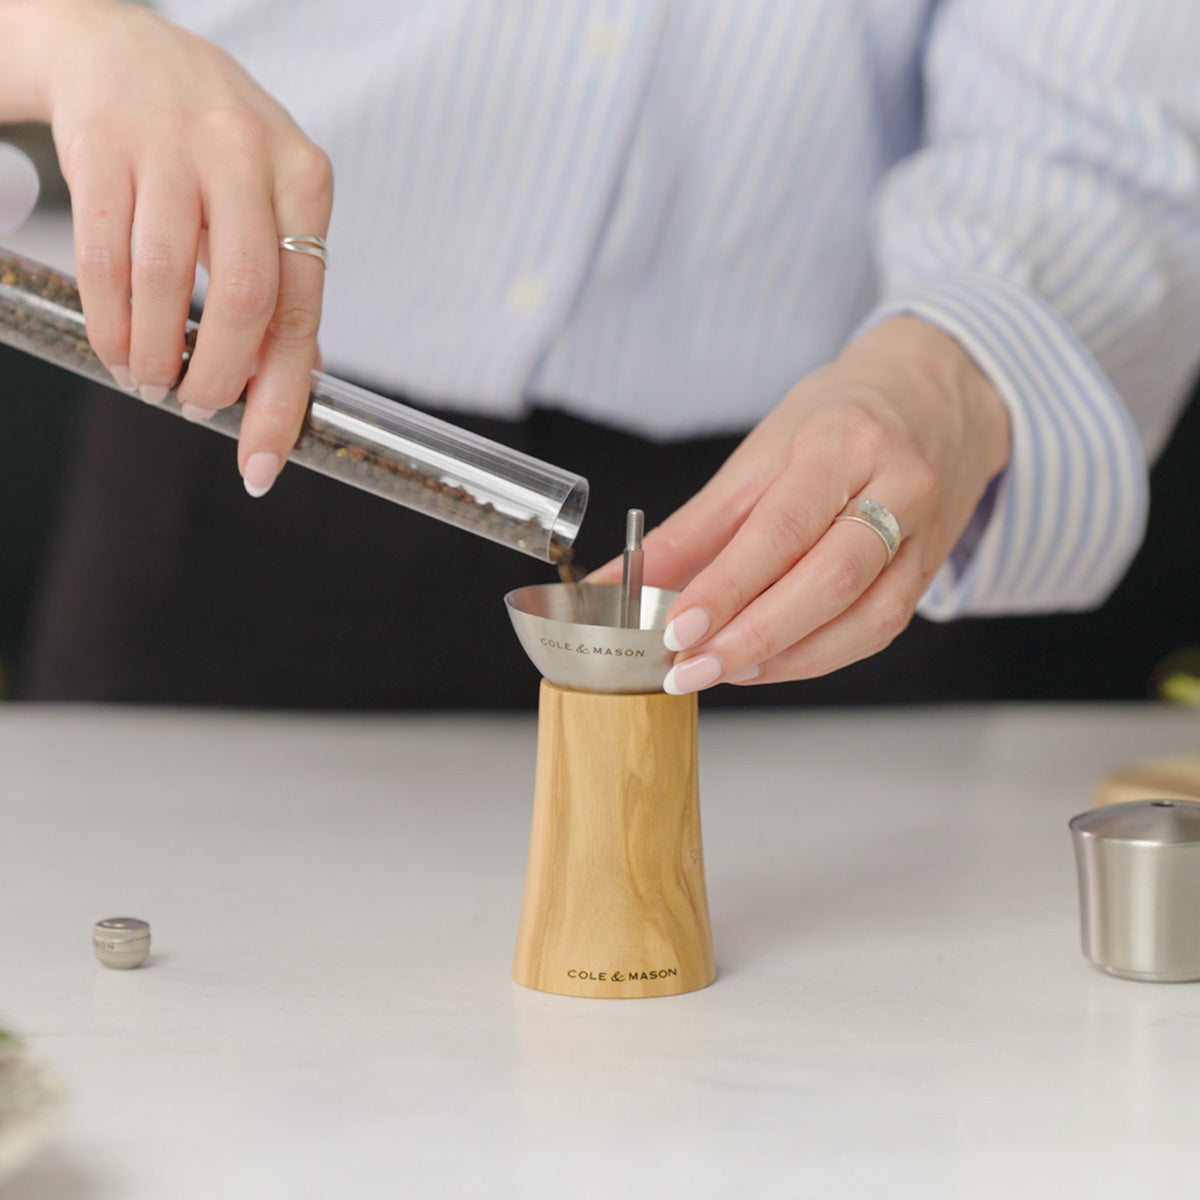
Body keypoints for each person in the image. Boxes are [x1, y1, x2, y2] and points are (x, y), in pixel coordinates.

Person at [3, 0, 1200, 708]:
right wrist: (65, 31)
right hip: (238, 455)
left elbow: (1106, 130)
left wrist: (949, 370)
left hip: (804, 533)